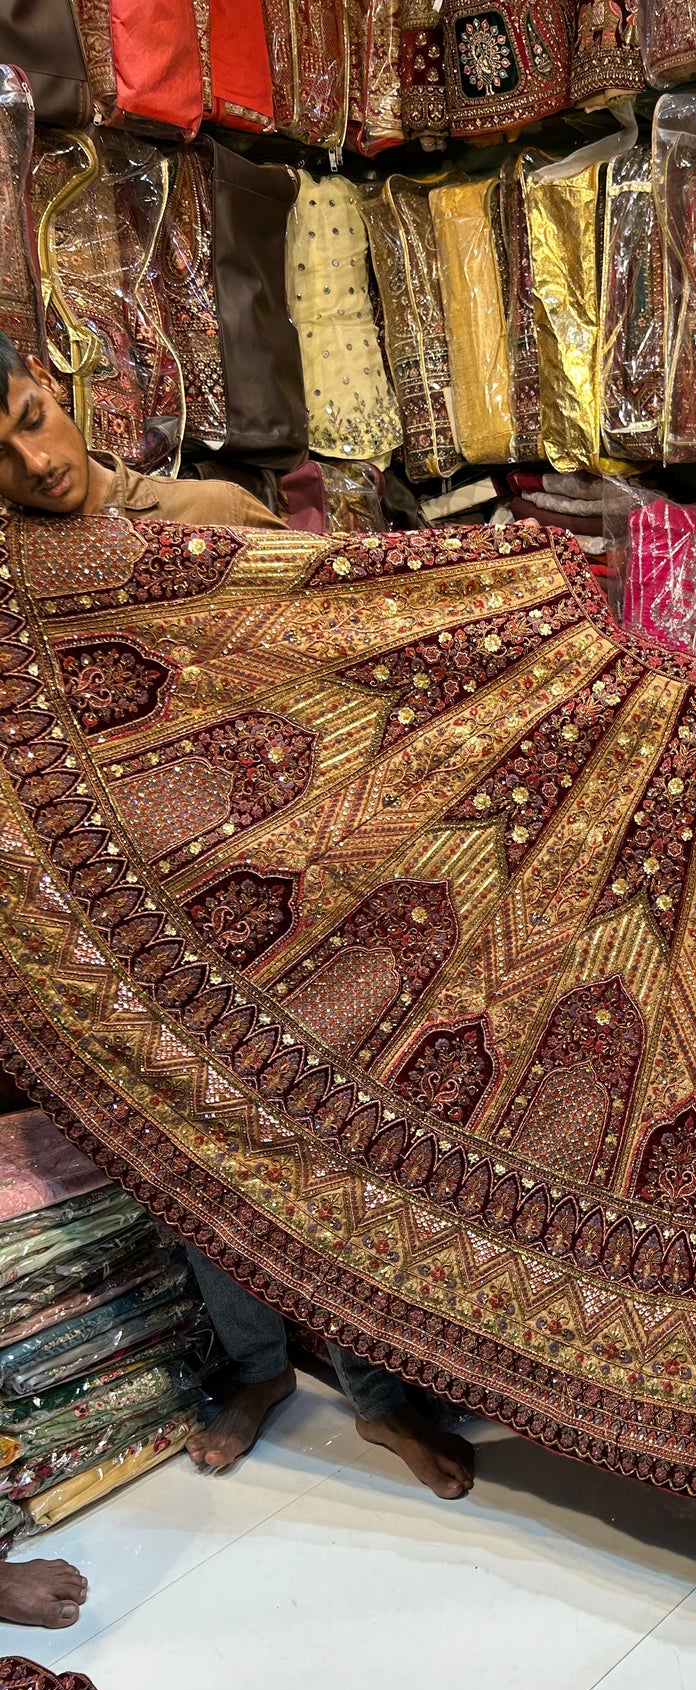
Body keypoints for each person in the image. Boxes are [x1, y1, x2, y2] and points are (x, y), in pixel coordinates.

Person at [0, 336, 475, 1569]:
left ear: (65, 386)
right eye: (0, 452)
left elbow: (343, 647)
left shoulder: (203, 517)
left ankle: (378, 1397)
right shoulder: (9, 583)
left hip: (290, 908)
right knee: (198, 1173)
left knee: (340, 1154)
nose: (37, 460)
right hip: (132, 942)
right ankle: (257, 1372)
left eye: (35, 418)